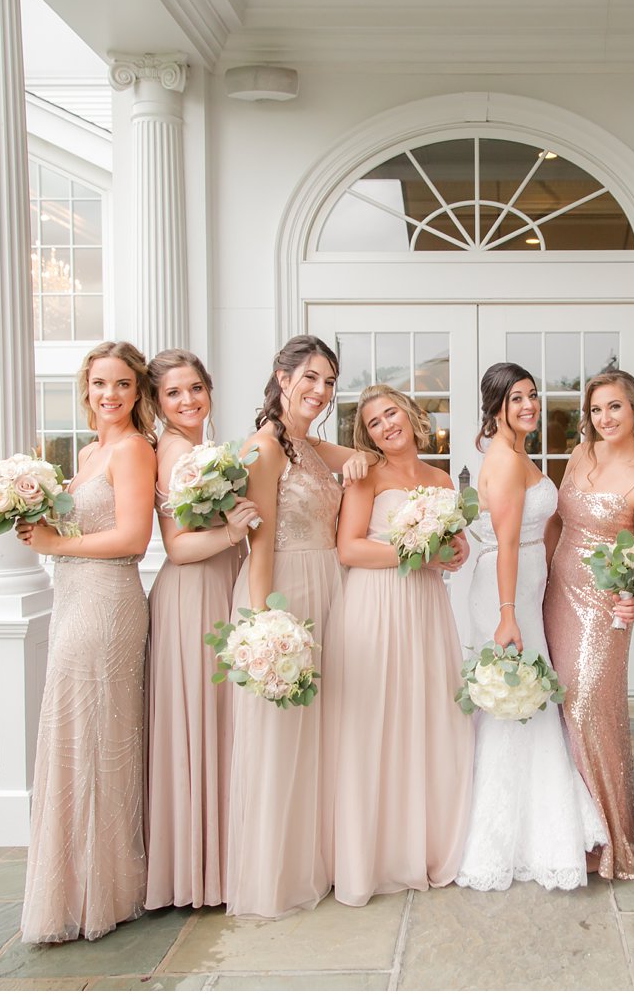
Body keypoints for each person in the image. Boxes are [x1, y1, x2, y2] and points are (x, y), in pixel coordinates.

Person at [17, 341, 158, 943]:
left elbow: (132, 537)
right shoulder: (86, 451)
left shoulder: (133, 450)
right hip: (72, 596)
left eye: (123, 385)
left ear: (137, 392)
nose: (110, 395)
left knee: (101, 734)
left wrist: (55, 545)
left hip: (106, 604)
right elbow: (81, 526)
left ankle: (109, 889)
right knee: (76, 732)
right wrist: (38, 527)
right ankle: (74, 880)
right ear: (86, 388)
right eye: (101, 383)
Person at [223, 334, 367, 919]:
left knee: (320, 733)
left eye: (330, 382)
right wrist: (265, 627)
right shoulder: (265, 448)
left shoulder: (309, 446)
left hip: (327, 585)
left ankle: (317, 858)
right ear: (282, 379)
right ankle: (275, 876)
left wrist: (358, 460)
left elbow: (380, 459)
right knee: (280, 736)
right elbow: (259, 546)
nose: (321, 390)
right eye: (310, 377)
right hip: (282, 589)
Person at [454, 362, 606, 891]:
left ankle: (528, 820)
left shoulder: (519, 453)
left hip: (522, 585)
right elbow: (507, 540)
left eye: (533, 396)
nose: (528, 406)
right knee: (518, 701)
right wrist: (506, 614)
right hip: (507, 590)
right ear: (494, 405)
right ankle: (511, 837)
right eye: (516, 398)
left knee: (527, 700)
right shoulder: (505, 458)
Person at [331, 384, 475, 906]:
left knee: (428, 716)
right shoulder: (365, 475)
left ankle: (428, 841)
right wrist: (415, 551)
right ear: (365, 434)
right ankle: (379, 853)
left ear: (411, 415)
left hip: (426, 608)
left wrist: (452, 550)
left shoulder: (440, 479)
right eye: (373, 422)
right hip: (375, 604)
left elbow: (452, 550)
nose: (386, 425)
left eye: (391, 413)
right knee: (377, 721)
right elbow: (348, 549)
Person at [143, 349, 258, 911]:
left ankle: (220, 858)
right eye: (173, 393)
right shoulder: (176, 451)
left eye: (195, 388)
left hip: (219, 585)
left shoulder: (201, 449)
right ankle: (200, 871)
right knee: (203, 721)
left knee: (220, 721)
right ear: (158, 403)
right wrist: (235, 532)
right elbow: (180, 547)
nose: (188, 401)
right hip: (193, 594)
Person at [542, 369, 634, 881]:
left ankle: (611, 835)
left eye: (614, 407)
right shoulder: (579, 455)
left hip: (606, 603)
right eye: (595, 409)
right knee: (558, 705)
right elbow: (556, 524)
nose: (604, 418)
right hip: (556, 592)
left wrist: (633, 600)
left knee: (590, 703)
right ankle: (569, 829)